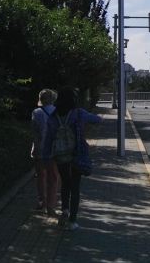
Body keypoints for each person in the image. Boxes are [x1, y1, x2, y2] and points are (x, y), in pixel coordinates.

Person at [43, 87, 102, 231]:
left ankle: (64, 210)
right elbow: (97, 120)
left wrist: (46, 157)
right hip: (77, 154)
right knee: (75, 187)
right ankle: (72, 221)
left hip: (60, 155)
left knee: (65, 183)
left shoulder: (53, 116)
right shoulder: (79, 113)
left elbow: (48, 139)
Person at [31, 88, 60, 217]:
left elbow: (34, 133)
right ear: (53, 99)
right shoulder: (57, 112)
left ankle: (41, 201)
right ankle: (51, 206)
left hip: (39, 149)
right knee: (53, 178)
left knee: (40, 176)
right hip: (53, 150)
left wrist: (36, 148)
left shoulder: (36, 112)